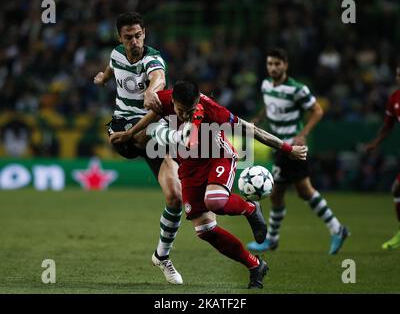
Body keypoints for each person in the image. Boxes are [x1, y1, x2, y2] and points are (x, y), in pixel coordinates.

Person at [109, 80, 307, 289]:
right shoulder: (165, 99)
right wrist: (130, 134)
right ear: (173, 101)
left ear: (198, 101)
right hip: (189, 167)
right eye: (180, 110)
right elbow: (155, 115)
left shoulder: (214, 111)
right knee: (205, 230)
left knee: (214, 201)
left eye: (191, 110)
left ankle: (249, 208)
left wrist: (287, 149)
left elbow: (252, 130)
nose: (185, 115)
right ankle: (255, 265)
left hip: (217, 157)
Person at [93, 12, 183, 284]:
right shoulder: (116, 54)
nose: (134, 41)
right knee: (141, 135)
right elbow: (111, 68)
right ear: (120, 38)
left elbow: (159, 78)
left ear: (145, 33)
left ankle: (162, 256)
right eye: (128, 37)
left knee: (175, 197)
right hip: (123, 127)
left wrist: (151, 90)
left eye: (138, 35)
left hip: (149, 130)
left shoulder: (153, 59)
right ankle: (183, 139)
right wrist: (103, 78)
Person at [246, 48, 349, 255]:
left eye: (277, 64)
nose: (273, 68)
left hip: (292, 147)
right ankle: (337, 229)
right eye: (270, 64)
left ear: (286, 65)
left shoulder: (297, 89)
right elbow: (269, 105)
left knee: (280, 193)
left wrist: (303, 134)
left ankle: (273, 240)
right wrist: (258, 118)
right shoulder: (266, 85)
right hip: (279, 146)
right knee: (299, 192)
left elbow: (318, 110)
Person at [365, 65, 400, 250]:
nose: (398, 78)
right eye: (397, 75)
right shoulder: (395, 99)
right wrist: (375, 143)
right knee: (396, 189)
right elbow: (388, 126)